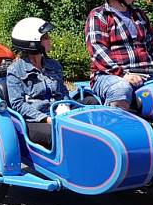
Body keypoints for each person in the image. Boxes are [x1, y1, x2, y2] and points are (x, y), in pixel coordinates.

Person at [85, 0, 153, 111]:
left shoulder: (139, 15)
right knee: (121, 89)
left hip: (148, 74)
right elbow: (97, 50)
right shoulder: (99, 16)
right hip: (110, 76)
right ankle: (119, 130)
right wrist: (123, 75)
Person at [7, 17, 90, 147]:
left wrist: (66, 107)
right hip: (36, 120)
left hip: (59, 113)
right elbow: (18, 104)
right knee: (63, 133)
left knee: (92, 105)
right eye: (45, 37)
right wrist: (47, 119)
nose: (49, 40)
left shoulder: (54, 65)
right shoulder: (15, 70)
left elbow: (63, 91)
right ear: (33, 43)